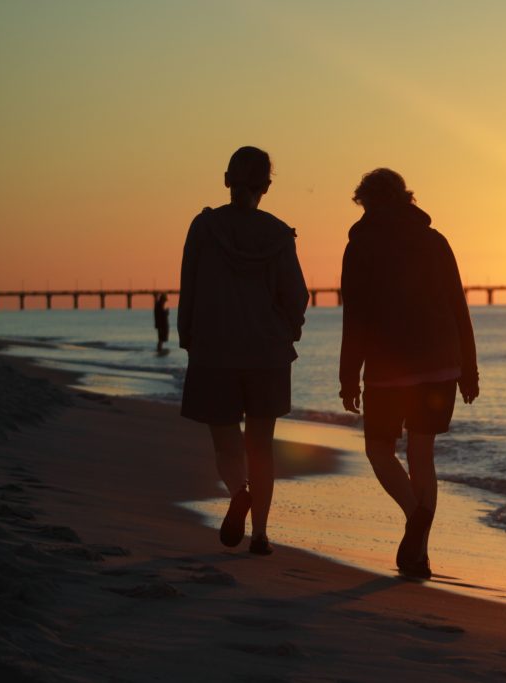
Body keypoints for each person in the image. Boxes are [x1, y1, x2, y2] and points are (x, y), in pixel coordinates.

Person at [339, 168, 479, 579]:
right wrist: (468, 369)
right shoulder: (435, 241)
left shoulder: (361, 246)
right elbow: (459, 306)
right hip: (440, 363)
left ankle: (414, 518)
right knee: (422, 457)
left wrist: (349, 375)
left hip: (387, 370)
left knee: (379, 452)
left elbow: (355, 317)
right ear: (405, 198)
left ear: (366, 202)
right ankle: (418, 552)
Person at [178, 146, 309, 556]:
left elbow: (189, 287)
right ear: (266, 186)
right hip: (267, 354)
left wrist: (188, 339)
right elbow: (297, 295)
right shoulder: (279, 234)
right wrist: (289, 331)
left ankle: (238, 492)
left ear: (226, 180)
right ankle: (261, 535)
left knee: (225, 444)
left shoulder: (204, 228)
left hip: (214, 349)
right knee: (261, 445)